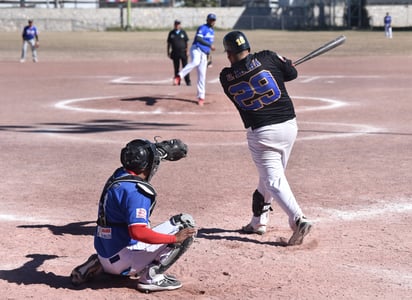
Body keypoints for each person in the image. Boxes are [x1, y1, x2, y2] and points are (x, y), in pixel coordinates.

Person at [219, 31, 313, 246]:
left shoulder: (225, 77)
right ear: (248, 48)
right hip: (289, 126)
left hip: (262, 133)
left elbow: (247, 74)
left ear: (229, 54)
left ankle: (298, 219)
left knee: (273, 180)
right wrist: (285, 64)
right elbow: (291, 74)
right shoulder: (268, 57)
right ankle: (258, 221)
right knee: (268, 178)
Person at [70, 138, 197, 293]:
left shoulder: (118, 176)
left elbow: (138, 169)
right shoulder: (137, 192)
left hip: (105, 252)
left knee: (131, 221)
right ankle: (151, 278)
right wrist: (174, 239)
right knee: (185, 224)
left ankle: (100, 264)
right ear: (147, 165)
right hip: (124, 261)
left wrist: (159, 151)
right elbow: (138, 232)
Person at [174, 13, 216, 107]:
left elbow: (208, 46)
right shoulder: (202, 28)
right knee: (195, 62)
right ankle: (179, 76)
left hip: (204, 54)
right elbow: (198, 38)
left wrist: (210, 59)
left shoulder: (212, 31)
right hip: (196, 49)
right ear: (207, 20)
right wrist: (209, 45)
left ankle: (201, 97)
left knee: (202, 76)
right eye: (210, 20)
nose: (212, 21)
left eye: (213, 20)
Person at [167, 20, 191, 86]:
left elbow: (187, 42)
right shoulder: (171, 33)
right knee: (176, 68)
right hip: (175, 52)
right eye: (176, 24)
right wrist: (168, 52)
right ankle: (177, 81)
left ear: (180, 25)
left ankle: (188, 81)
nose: (177, 26)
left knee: (185, 67)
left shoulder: (183, 32)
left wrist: (187, 51)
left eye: (178, 24)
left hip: (183, 52)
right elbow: (169, 43)